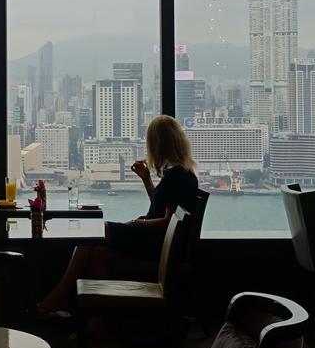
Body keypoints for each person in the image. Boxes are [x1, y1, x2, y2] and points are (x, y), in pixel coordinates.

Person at [37, 115, 200, 314]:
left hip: (155, 243)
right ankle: (98, 322)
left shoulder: (176, 176)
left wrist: (139, 223)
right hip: (159, 242)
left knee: (99, 229)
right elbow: (161, 210)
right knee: (98, 253)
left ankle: (59, 296)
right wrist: (147, 180)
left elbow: (167, 223)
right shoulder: (182, 173)